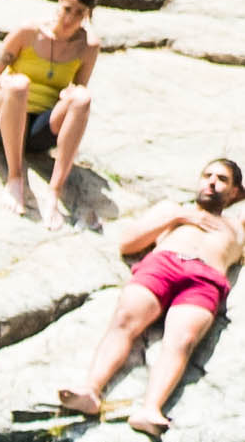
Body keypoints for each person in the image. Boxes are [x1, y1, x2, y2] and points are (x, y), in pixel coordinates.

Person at [64, 157, 240, 428]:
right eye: (208, 176)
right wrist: (178, 218)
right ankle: (90, 391)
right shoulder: (172, 210)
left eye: (222, 180)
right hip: (163, 265)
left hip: (204, 279)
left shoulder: (238, 229)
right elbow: (128, 244)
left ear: (235, 192)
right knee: (124, 321)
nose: (212, 183)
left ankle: (150, 410)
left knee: (182, 341)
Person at [0, 0, 105, 218]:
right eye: (67, 9)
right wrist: (6, 82)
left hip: (40, 130)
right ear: (60, 1)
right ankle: (15, 178)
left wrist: (71, 94)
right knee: (20, 85)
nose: (69, 18)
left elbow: (80, 87)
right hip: (4, 118)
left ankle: (55, 191)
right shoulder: (28, 32)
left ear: (88, 14)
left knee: (82, 98)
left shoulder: (89, 46)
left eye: (79, 13)